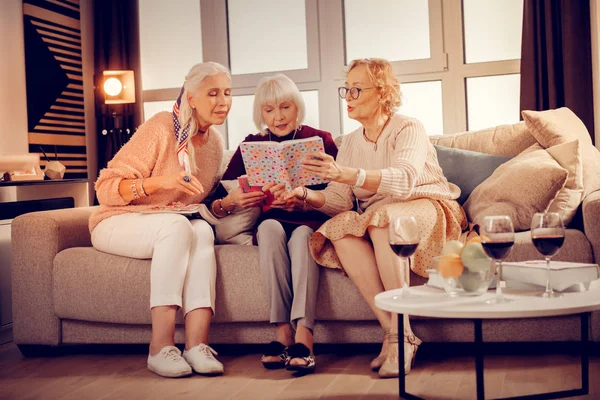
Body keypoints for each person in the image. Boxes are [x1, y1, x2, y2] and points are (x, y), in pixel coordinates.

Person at [277, 58, 471, 378]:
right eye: (346, 89)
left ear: (382, 92)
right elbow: (340, 200)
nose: (348, 97)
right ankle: (397, 333)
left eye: (357, 89)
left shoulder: (408, 127)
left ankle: (399, 336)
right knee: (338, 227)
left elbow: (405, 178)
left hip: (429, 204)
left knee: (382, 218)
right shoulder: (351, 142)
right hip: (382, 214)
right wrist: (305, 196)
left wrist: (347, 173)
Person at [91, 62, 233, 378]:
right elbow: (105, 188)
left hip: (168, 222)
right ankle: (160, 347)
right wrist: (160, 182)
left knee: (201, 231)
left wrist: (227, 203)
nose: (222, 101)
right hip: (117, 220)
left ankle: (197, 345)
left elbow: (199, 202)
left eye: (226, 92)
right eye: (212, 93)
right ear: (192, 98)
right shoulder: (161, 127)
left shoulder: (215, 144)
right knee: (178, 226)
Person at [221, 74, 338, 374]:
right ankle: (282, 332)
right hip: (272, 217)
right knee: (269, 229)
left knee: (301, 238)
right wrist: (236, 198)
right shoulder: (252, 144)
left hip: (308, 218)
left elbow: (338, 192)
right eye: (269, 110)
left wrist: (306, 197)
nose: (278, 116)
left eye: (285, 107)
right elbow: (220, 192)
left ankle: (304, 337)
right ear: (261, 113)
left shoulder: (320, 139)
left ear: (296, 107)